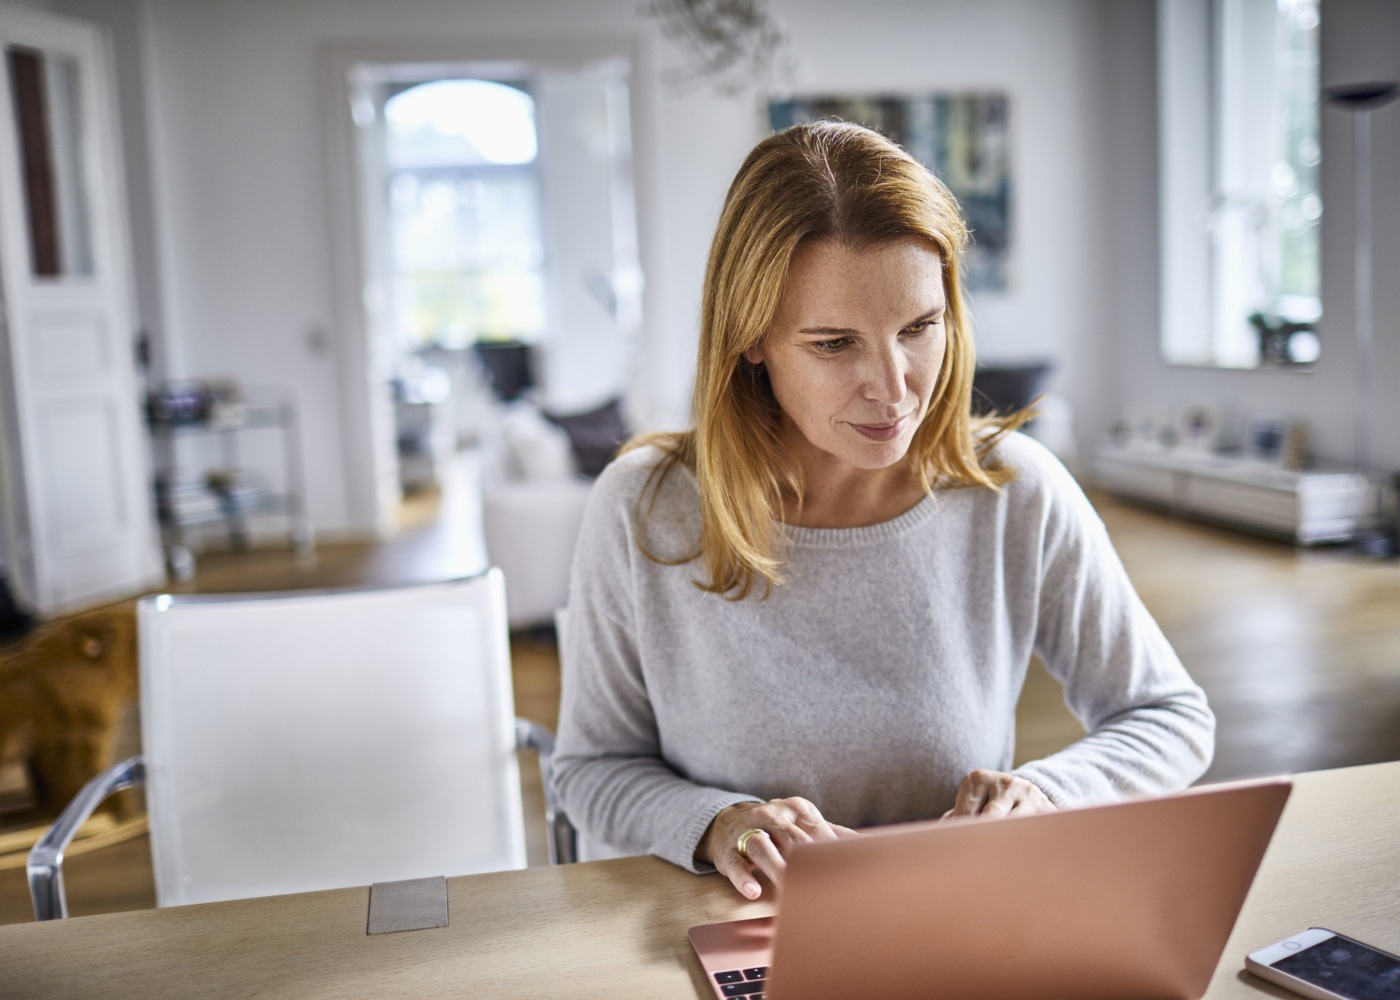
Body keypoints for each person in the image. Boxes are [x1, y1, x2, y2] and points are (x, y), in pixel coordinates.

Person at [553, 121, 1214, 900]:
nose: (895, 386)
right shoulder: (644, 507)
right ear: (751, 339)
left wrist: (1048, 795)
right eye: (835, 344)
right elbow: (590, 772)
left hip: (956, 926)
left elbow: (1170, 715)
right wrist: (718, 822)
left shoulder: (1015, 490)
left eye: (918, 328)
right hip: (740, 932)